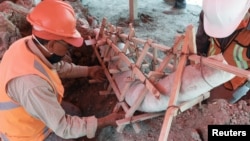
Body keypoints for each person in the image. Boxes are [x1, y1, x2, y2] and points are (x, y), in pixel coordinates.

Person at [0, 0, 124, 141]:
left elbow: (56, 67)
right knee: (70, 131)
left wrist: (88, 71)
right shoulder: (32, 84)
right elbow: (64, 128)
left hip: (27, 113)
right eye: (67, 44)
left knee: (74, 112)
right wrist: (105, 121)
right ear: (52, 44)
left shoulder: (26, 45)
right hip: (27, 134)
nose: (69, 49)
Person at [196, 0, 250, 103]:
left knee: (214, 105)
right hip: (207, 69)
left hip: (234, 82)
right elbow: (200, 42)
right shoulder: (210, 13)